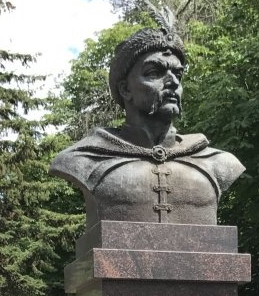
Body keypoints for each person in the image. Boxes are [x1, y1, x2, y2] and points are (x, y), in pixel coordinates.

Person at [50, 22, 244, 226]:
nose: (173, 83)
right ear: (125, 89)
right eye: (154, 73)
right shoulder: (85, 159)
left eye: (178, 75)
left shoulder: (217, 163)